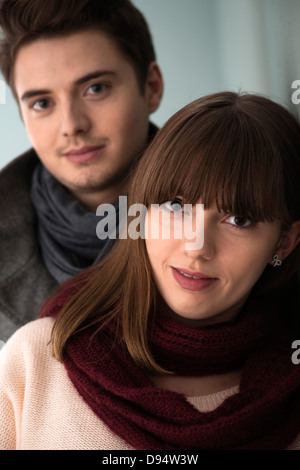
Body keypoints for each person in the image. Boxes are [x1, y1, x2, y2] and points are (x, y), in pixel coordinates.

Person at [1, 92, 300, 450]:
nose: (196, 246)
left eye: (239, 219)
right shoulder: (36, 358)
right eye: (175, 205)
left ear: (284, 242)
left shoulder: (291, 389)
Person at [0, 0, 163, 341]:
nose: (72, 125)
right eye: (42, 103)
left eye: (96, 88)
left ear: (151, 88)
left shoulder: (238, 218)